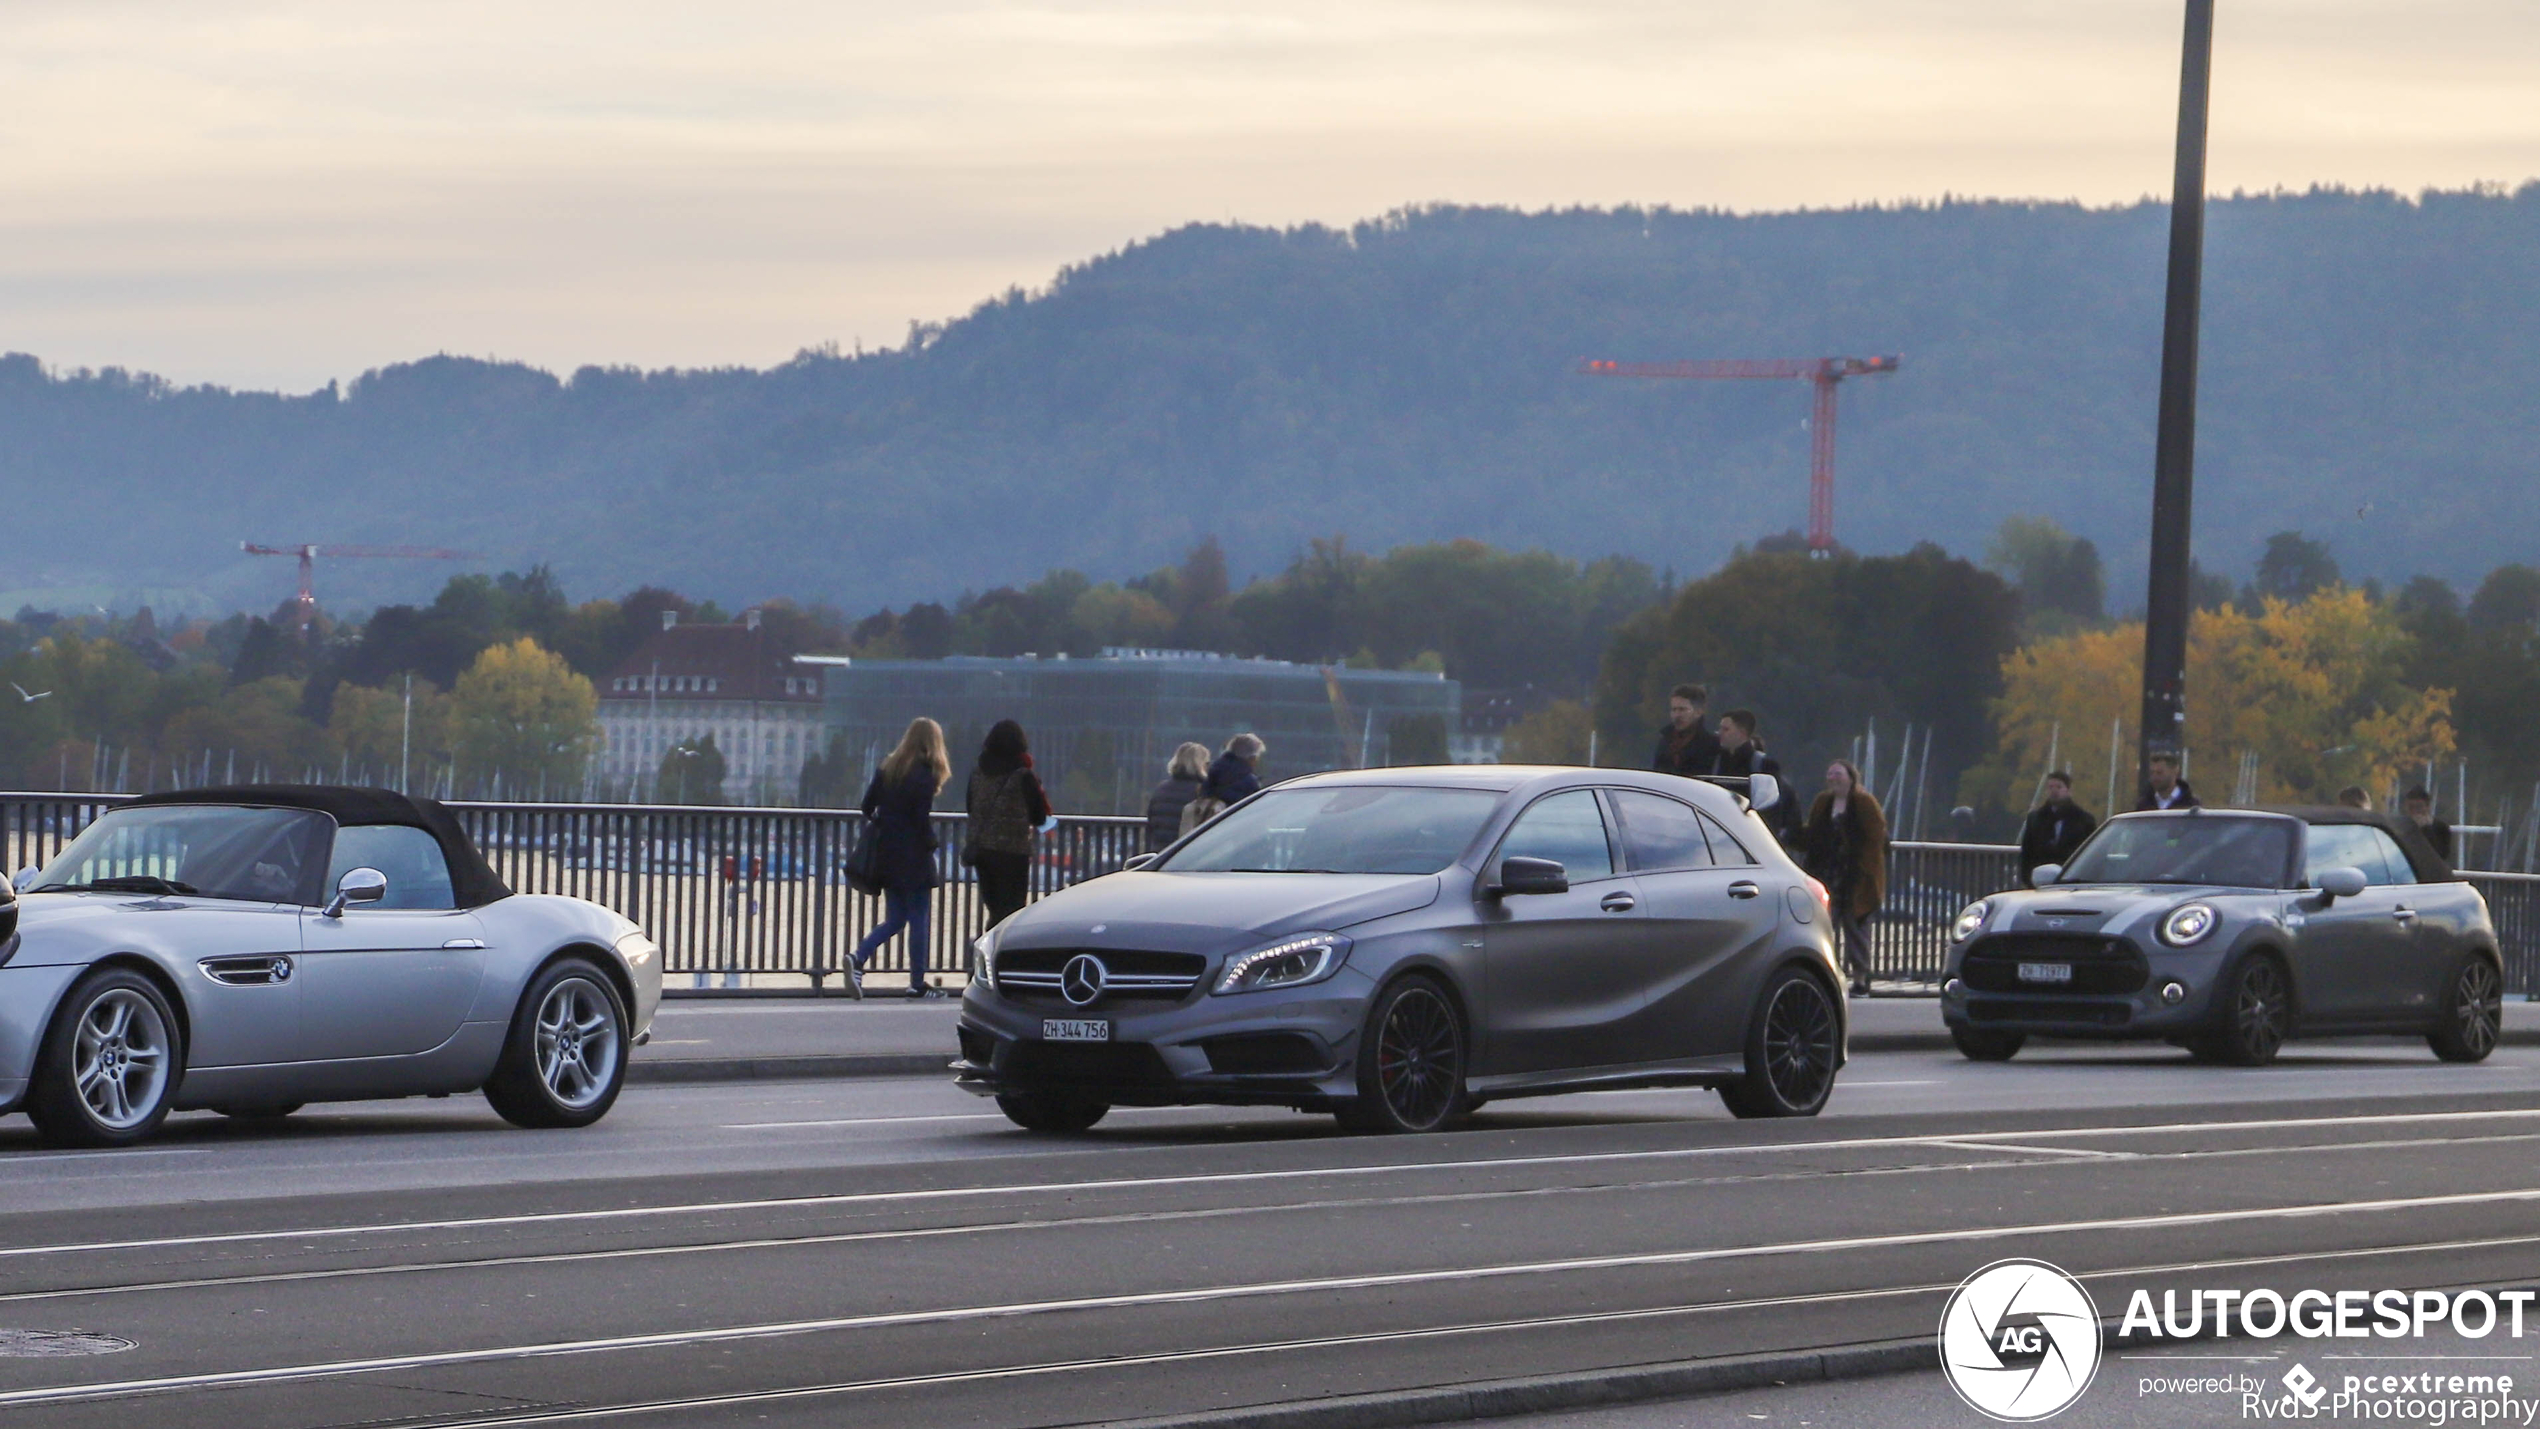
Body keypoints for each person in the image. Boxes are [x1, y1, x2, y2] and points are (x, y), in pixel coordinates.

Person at [850, 717, 948, 999]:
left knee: (896, 918)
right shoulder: (925, 774)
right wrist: (932, 842)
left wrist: (888, 823)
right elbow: (921, 819)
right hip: (914, 857)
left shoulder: (888, 768)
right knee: (918, 917)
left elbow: (867, 806)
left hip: (888, 855)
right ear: (933, 744)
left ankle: (859, 957)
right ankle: (917, 983)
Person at [1801, 760, 1887, 996]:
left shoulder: (1864, 802)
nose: (1833, 778)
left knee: (1856, 928)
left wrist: (1864, 870)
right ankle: (1825, 975)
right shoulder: (1822, 802)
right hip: (1827, 874)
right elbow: (1812, 834)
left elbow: (1876, 836)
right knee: (1823, 927)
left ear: (1850, 777)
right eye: (1830, 774)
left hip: (1856, 877)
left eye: (1838, 773)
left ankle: (1860, 978)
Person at [966, 719, 1051, 929]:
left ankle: (986, 954)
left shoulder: (977, 773)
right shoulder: (1023, 776)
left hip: (983, 852)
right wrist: (1052, 826)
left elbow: (971, 807)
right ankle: (1003, 956)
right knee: (1012, 912)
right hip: (1013, 854)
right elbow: (1039, 816)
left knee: (994, 909)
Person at [1708, 708, 1791, 843]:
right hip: (1720, 834)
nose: (1719, 733)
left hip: (1751, 836)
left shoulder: (1764, 765)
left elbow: (1772, 809)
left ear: (1742, 733)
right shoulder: (1715, 762)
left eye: (1726, 729)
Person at [2018, 772, 2098, 880]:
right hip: (2040, 880)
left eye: (2059, 787)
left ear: (2069, 791)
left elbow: (2091, 854)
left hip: (2072, 879)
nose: (2054, 791)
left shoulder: (2084, 820)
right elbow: (2027, 853)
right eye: (2050, 787)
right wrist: (2028, 879)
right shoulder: (2035, 819)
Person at [1144, 742, 1211, 851]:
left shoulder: (1161, 789)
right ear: (1201, 764)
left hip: (1160, 852)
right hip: (1186, 853)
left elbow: (1152, 822)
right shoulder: (1202, 791)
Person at [1650, 683, 1721, 777]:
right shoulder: (1665, 741)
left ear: (1698, 712)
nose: (1677, 715)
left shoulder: (1711, 744)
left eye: (1682, 710)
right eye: (1674, 710)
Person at [2402, 786, 2455, 862]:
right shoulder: (2400, 827)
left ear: (2427, 807)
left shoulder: (2441, 828)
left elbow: (2441, 855)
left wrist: (2426, 829)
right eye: (2411, 807)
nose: (2415, 811)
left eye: (2419, 807)